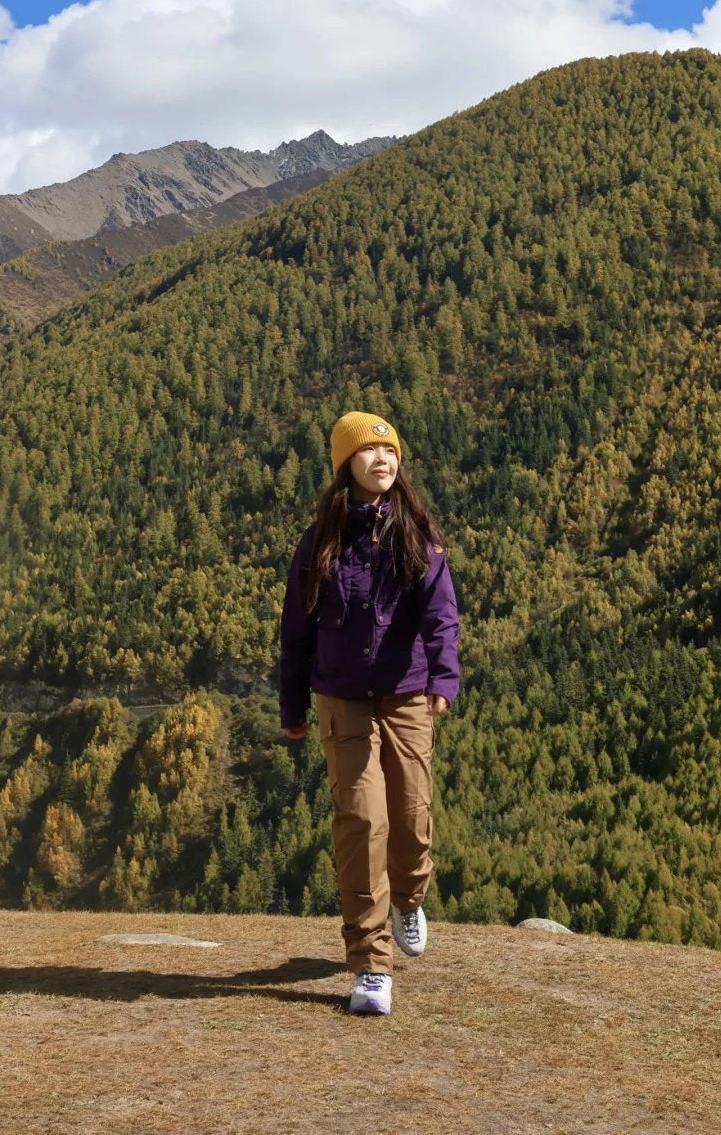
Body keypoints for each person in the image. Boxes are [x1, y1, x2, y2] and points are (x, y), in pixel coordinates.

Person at [279, 410, 460, 1016]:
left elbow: (441, 615)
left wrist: (444, 677)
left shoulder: (416, 533)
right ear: (345, 465)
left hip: (407, 693)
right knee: (361, 820)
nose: (382, 460)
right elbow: (296, 629)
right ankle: (370, 963)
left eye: (390, 452)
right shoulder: (320, 541)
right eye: (369, 452)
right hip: (340, 697)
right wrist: (293, 700)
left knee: (409, 815)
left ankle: (409, 897)